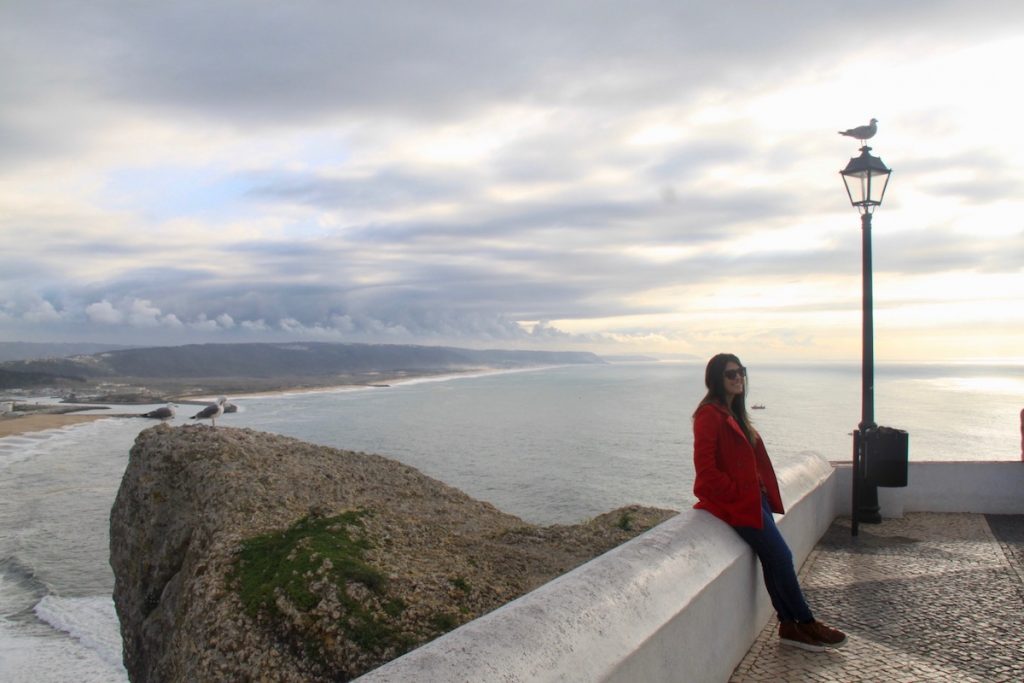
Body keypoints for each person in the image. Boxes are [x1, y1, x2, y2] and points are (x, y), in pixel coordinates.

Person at [692, 353, 847, 651]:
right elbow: (706, 472)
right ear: (715, 379)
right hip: (736, 504)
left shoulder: (734, 411)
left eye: (741, 372)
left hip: (754, 500)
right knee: (782, 557)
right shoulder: (708, 415)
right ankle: (805, 622)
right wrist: (737, 493)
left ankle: (790, 626)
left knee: (773, 559)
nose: (738, 378)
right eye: (731, 374)